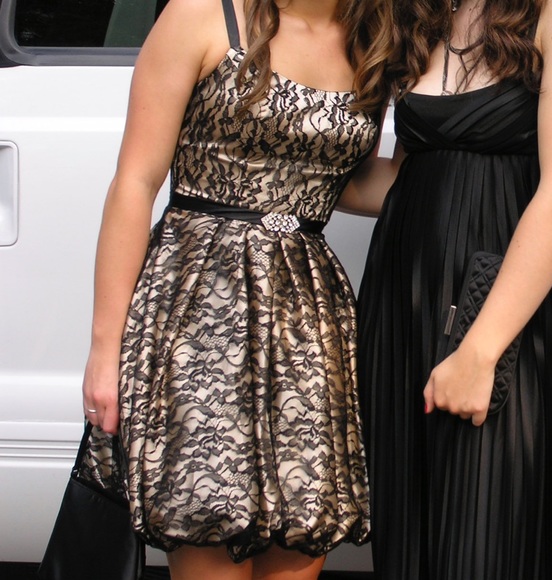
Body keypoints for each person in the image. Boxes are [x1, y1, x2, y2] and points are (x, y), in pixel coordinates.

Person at [78, 0, 395, 578]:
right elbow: (135, 182)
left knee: (302, 535)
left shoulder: (373, 42)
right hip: (200, 308)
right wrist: (106, 351)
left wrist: (464, 162)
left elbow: (344, 178)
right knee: (207, 525)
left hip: (306, 320)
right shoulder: (202, 14)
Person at [341, 0, 552, 577]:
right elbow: (405, 177)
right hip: (401, 309)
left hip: (500, 317)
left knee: (490, 534)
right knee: (408, 540)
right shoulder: (416, 16)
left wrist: (480, 351)